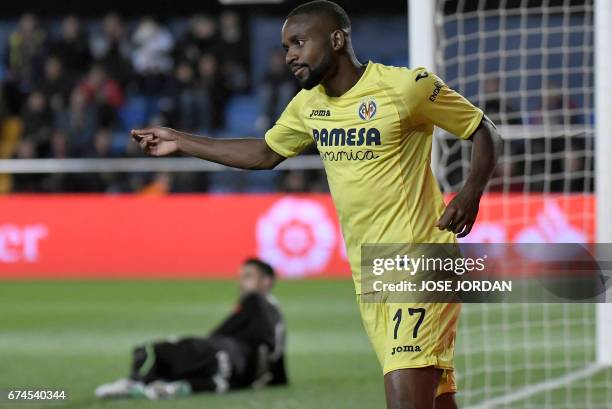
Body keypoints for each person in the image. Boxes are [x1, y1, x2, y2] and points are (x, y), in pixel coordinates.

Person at [130, 2, 502, 408]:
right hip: (371, 271)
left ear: (337, 40)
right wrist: (180, 140)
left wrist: (470, 192)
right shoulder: (310, 105)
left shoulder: (405, 87)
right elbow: (265, 152)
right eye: (286, 45)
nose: (289, 54)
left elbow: (484, 131)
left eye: (299, 43)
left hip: (420, 260)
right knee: (436, 401)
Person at [95, 258, 287, 400]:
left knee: (150, 350)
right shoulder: (275, 315)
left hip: (220, 353)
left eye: (248, 277)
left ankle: (134, 383)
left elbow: (218, 333)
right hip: (231, 375)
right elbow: (274, 358)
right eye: (240, 277)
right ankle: (170, 387)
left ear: (266, 282)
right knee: (200, 372)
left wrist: (208, 343)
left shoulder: (255, 300)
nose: (241, 283)